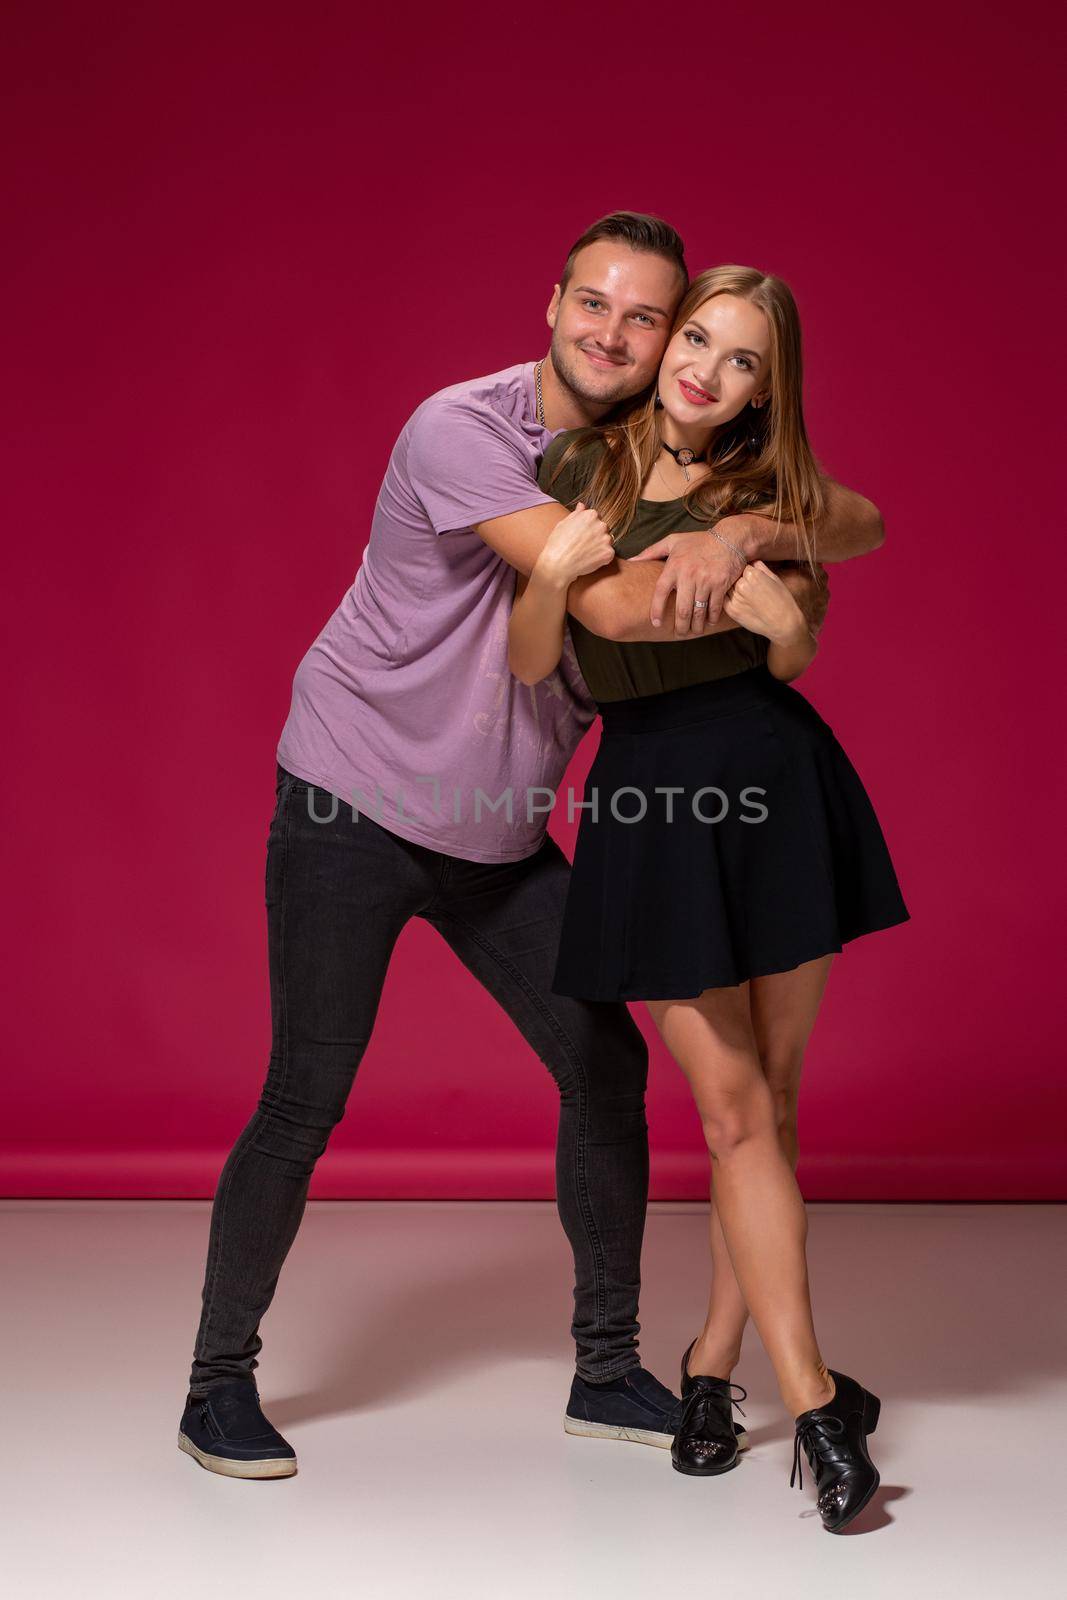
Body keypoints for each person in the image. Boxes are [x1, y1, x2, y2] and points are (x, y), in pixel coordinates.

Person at [178, 215, 881, 1481]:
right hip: (356, 796)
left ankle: (607, 1369)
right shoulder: (469, 431)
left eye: (644, 317)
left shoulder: (642, 446)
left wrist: (748, 530)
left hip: (499, 829)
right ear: (551, 302)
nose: (614, 334)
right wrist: (754, 570)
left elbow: (836, 509)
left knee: (604, 1068)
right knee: (305, 1095)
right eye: (592, 305)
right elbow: (605, 606)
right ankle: (215, 1383)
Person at [507, 263, 909, 1533]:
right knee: (733, 1109)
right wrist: (717, 574)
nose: (705, 369)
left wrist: (748, 536)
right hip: (651, 803)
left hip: (778, 781)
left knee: (766, 1115)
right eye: (697, 338)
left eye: (743, 360)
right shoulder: (582, 465)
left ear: (763, 389)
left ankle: (707, 1369)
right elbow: (574, 632)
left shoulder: (769, 494)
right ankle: (819, 1412)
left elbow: (858, 534)